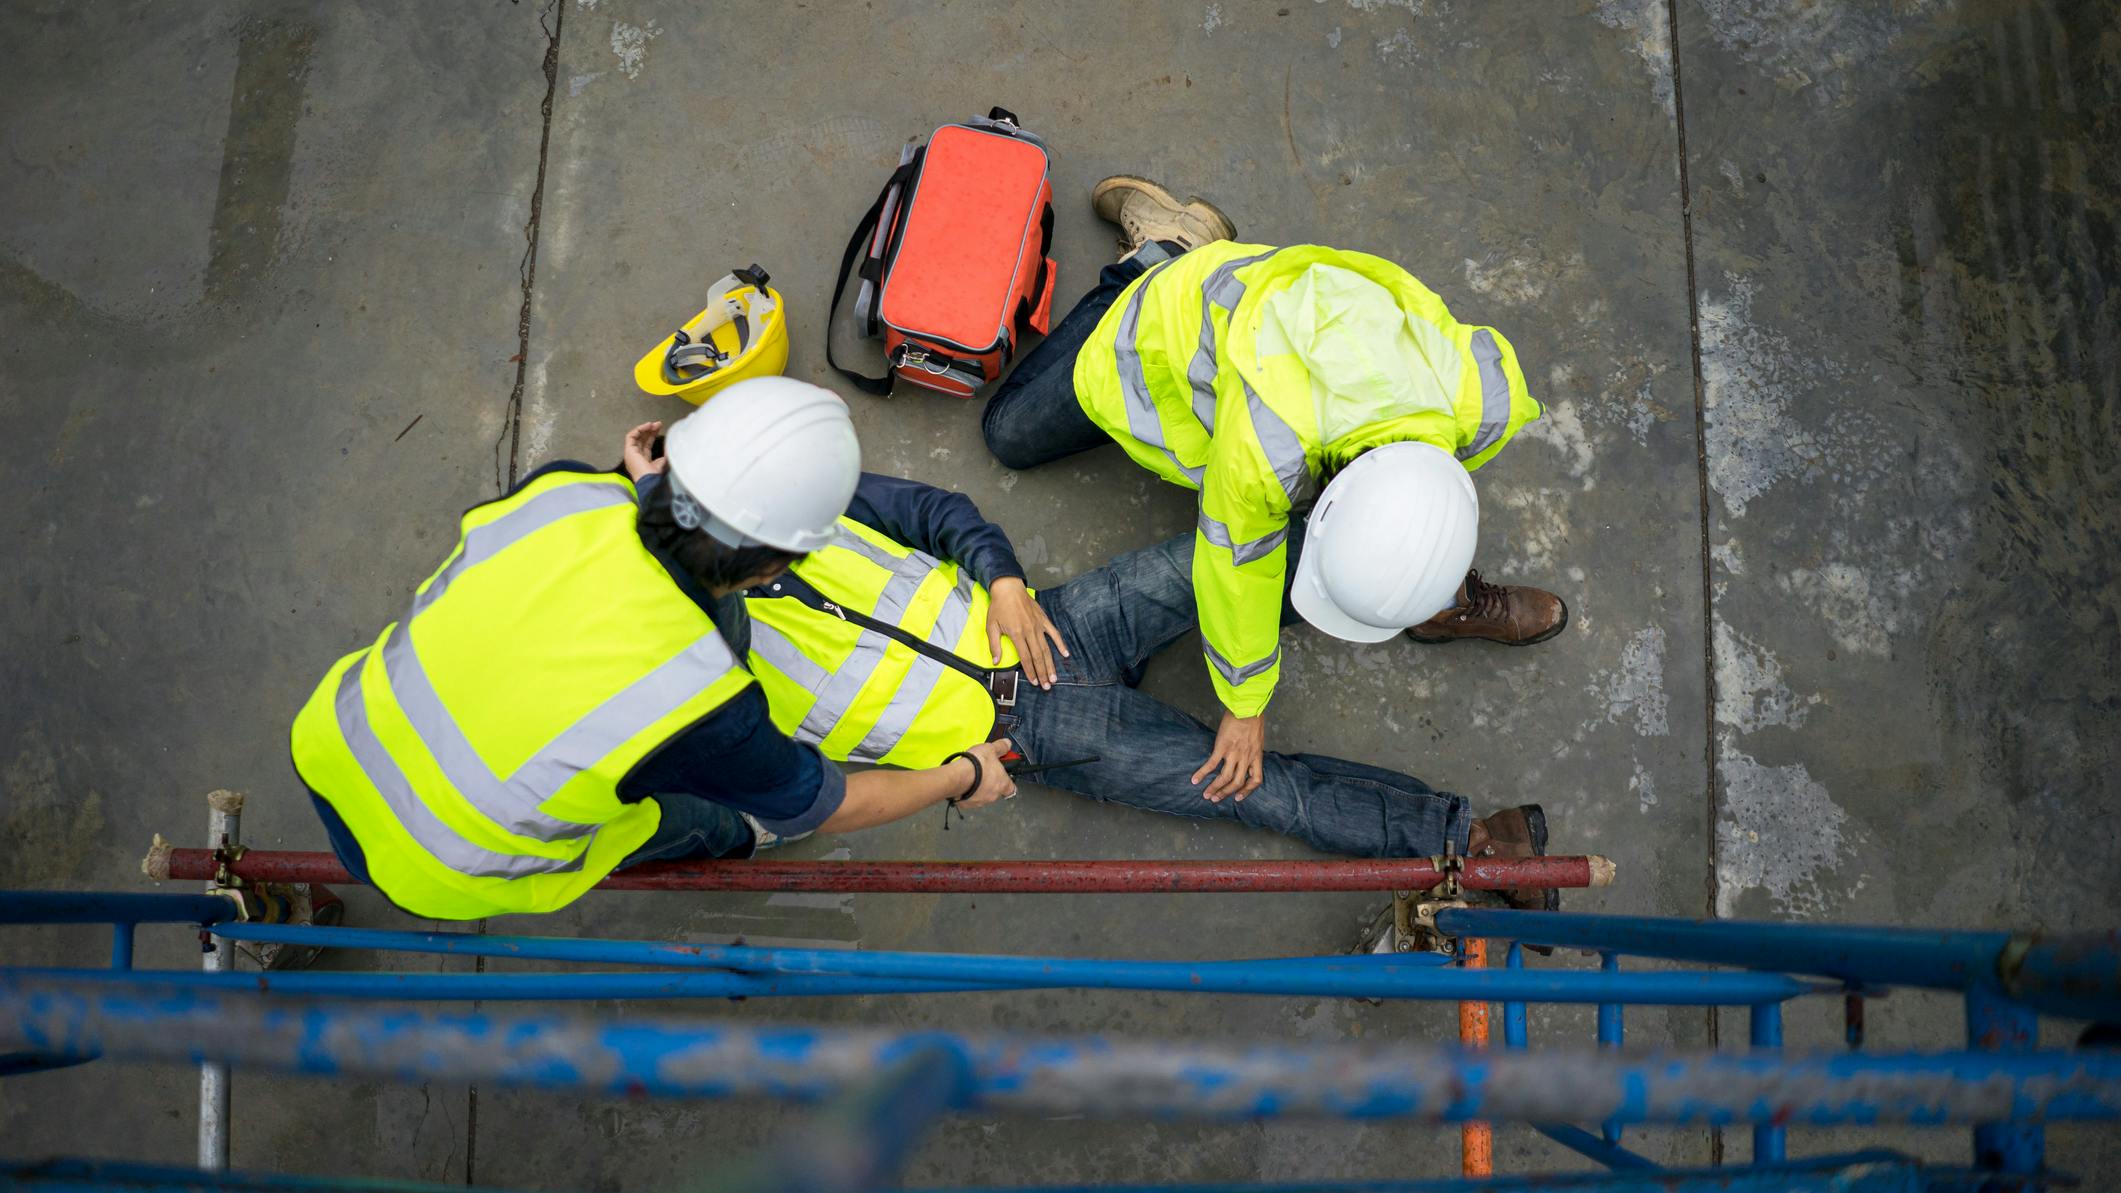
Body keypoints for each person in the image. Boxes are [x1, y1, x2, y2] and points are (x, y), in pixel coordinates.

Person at [624, 437, 1563, 912]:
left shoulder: (769, 506)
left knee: (1230, 561)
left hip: (1052, 620)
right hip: (1029, 736)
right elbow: (791, 805)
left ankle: (1418, 593)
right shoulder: (698, 697)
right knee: (1257, 789)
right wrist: (964, 775)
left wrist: (999, 581)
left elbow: (934, 510)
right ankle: (1476, 839)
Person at [289, 379, 1017, 921]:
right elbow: (834, 805)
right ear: (771, 569)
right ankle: (740, 832)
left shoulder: (564, 490)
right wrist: (961, 773)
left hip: (335, 735)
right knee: (689, 812)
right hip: (442, 862)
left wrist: (645, 490)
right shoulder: (705, 698)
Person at [982, 177, 1570, 804]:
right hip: (1160, 331)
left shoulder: (1485, 399)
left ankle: (1438, 599)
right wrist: (1245, 706)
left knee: (1385, 536)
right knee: (1009, 434)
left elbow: (1427, 501)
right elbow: (1237, 569)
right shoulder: (1265, 451)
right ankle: (1165, 249)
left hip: (1275, 334)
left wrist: (1420, 562)